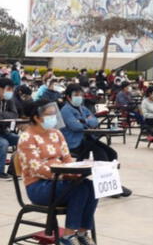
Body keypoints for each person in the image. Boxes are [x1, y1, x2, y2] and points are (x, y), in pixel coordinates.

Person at [17, 99, 97, 245]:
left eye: (54, 113)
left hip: (60, 180)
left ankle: (82, 232)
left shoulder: (56, 133)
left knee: (92, 187)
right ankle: (67, 236)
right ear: (37, 117)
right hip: (38, 186)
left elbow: (67, 158)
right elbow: (37, 168)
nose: (54, 117)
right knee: (79, 190)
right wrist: (64, 175)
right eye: (50, 114)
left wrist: (77, 170)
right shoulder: (27, 138)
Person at [60, 85, 132, 197]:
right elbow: (75, 126)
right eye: (76, 95)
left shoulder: (83, 108)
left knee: (112, 153)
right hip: (75, 142)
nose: (79, 97)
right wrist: (86, 121)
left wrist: (83, 121)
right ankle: (107, 188)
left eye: (80, 95)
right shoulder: (65, 110)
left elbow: (94, 120)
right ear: (69, 97)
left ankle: (113, 183)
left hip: (88, 138)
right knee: (101, 154)